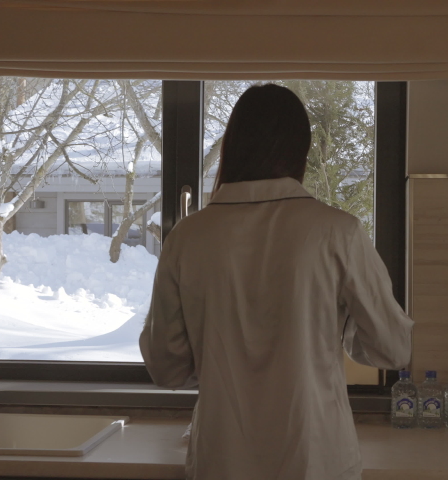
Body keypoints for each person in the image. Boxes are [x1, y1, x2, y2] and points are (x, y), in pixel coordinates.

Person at [140, 84, 413, 480]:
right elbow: (394, 348)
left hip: (221, 459)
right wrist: (344, 330)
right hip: (317, 458)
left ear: (232, 148)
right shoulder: (338, 233)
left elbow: (166, 370)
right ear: (301, 153)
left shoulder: (187, 237)